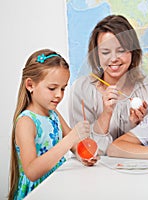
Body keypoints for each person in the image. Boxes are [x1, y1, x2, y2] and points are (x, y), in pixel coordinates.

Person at [8, 49, 94, 200]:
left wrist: (84, 156)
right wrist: (72, 138)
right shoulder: (26, 122)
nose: (59, 95)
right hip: (37, 192)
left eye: (63, 88)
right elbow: (32, 172)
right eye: (52, 88)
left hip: (56, 185)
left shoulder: (53, 114)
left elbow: (73, 145)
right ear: (30, 85)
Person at [68, 15, 148, 154]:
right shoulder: (82, 89)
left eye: (121, 51)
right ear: (96, 55)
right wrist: (106, 114)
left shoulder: (145, 87)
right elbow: (84, 149)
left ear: (133, 52)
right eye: (105, 52)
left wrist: (135, 125)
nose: (114, 59)